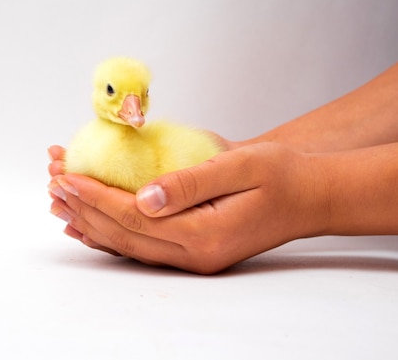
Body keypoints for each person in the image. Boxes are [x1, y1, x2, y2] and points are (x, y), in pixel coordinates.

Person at [47, 61, 398, 274]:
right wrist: (246, 161)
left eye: (140, 96)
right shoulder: (95, 144)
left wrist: (315, 194)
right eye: (115, 93)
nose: (134, 109)